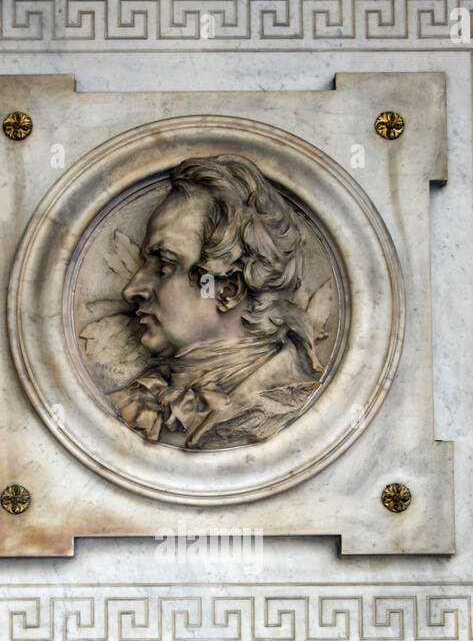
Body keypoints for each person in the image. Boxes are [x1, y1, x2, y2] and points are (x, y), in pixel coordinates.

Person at [108, 155, 325, 449]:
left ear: (228, 290)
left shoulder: (286, 399)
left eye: (164, 266)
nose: (132, 290)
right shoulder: (138, 401)